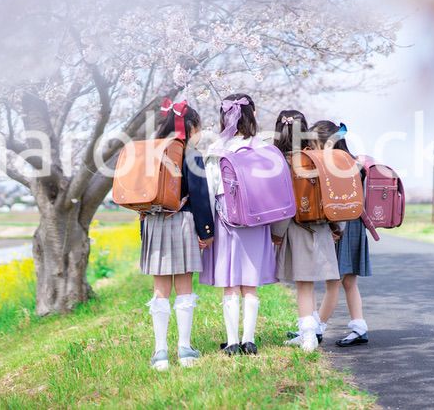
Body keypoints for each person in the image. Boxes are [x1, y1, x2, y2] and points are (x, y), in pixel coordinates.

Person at [200, 93, 277, 356]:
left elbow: (210, 189)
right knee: (250, 282)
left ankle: (232, 342)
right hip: (256, 217)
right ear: (251, 115)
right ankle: (250, 339)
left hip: (225, 218)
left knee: (230, 281)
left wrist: (207, 226)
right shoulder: (263, 146)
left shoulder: (216, 149)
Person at [140, 99, 215, 370]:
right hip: (182, 221)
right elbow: (200, 194)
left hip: (154, 223)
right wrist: (206, 231)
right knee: (184, 286)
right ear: (191, 126)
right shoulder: (189, 152)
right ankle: (184, 350)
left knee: (160, 289)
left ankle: (160, 353)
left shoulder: (151, 151)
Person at [270, 110, 341, 352]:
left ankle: (308, 335)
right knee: (309, 284)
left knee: (304, 286)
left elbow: (283, 204)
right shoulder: (318, 157)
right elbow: (334, 193)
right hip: (321, 227)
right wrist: (336, 227)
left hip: (296, 228)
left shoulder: (281, 162)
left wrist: (276, 234)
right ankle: (306, 333)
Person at [309, 120, 371, 347]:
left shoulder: (337, 166)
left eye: (314, 142)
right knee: (348, 283)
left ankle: (316, 330)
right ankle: (359, 326)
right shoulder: (352, 162)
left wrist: (335, 229)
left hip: (342, 227)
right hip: (355, 225)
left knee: (333, 283)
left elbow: (341, 202)